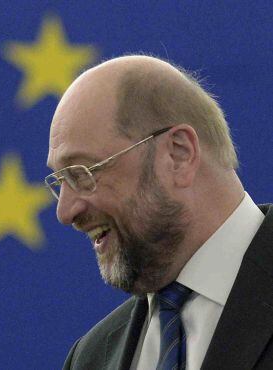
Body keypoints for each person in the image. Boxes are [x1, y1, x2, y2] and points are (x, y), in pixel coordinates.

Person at [46, 55, 273, 370]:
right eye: (61, 182)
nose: (65, 212)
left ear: (178, 154)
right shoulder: (90, 357)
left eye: (82, 174)